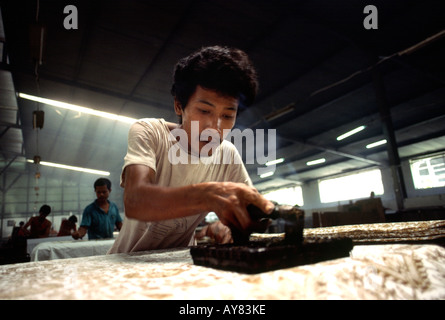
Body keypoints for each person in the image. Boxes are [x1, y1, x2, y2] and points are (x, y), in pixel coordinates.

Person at [108, 45, 274, 254]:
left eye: (228, 115)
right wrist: (208, 195)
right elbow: (136, 201)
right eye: (204, 110)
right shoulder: (150, 132)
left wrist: (228, 224)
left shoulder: (227, 154)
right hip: (126, 264)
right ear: (179, 105)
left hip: (182, 265)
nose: (215, 127)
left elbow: (248, 208)